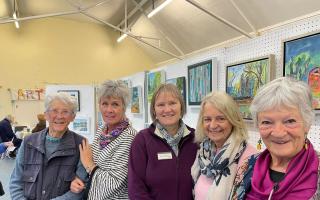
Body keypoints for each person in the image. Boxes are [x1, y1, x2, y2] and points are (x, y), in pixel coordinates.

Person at [230, 77, 320, 200]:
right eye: (267, 122)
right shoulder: (248, 165)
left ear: (307, 124)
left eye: (290, 121)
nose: (278, 133)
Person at [9, 92, 87, 200]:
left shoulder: (81, 145)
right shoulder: (28, 142)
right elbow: (16, 183)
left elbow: (79, 189)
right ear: (46, 115)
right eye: (54, 111)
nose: (59, 116)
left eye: (65, 111)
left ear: (72, 117)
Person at [128, 83, 198, 200]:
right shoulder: (142, 140)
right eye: (161, 105)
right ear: (154, 110)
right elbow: (136, 187)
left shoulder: (196, 139)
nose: (167, 109)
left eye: (172, 103)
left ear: (181, 106)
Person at [70, 80, 137, 200]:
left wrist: (89, 164)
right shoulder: (102, 129)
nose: (109, 110)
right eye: (104, 103)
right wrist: (79, 180)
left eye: (115, 104)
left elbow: (112, 184)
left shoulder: (130, 137)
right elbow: (95, 170)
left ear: (124, 107)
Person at [191, 91, 256, 200]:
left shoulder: (250, 158)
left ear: (233, 120)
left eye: (221, 118)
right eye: (207, 119)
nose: (213, 125)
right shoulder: (203, 153)